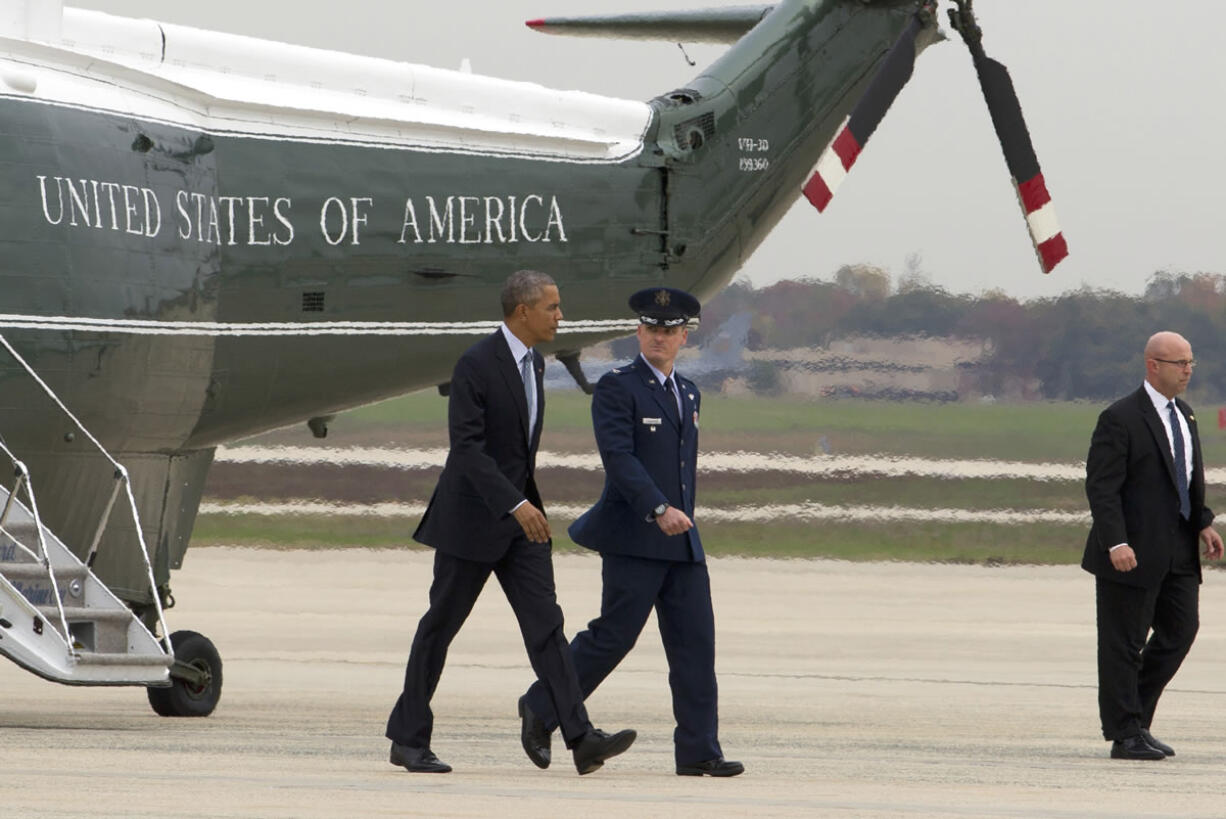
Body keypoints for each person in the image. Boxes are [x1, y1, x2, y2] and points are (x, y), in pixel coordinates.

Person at [385, 270, 636, 775]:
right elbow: (468, 450)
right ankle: (408, 740)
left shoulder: (536, 366)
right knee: (439, 629)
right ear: (522, 311)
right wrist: (514, 504)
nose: (560, 316)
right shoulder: (476, 364)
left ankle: (581, 737)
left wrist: (525, 508)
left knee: (547, 628)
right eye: (553, 307)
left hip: (522, 526)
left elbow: (518, 451)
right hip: (472, 522)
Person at [517, 286, 743, 777]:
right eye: (650, 328)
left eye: (668, 330)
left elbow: (682, 469)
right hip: (635, 537)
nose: (658, 337)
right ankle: (540, 704)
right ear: (639, 332)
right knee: (612, 637)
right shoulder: (619, 387)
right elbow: (619, 458)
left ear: (683, 336)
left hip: (681, 542)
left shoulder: (688, 393)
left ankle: (700, 751)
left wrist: (679, 517)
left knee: (695, 645)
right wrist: (658, 507)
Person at [1082, 330, 1223, 760]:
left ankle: (1134, 717)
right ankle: (1125, 734)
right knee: (1123, 642)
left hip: (1178, 547)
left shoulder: (1186, 414)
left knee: (1180, 631)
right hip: (1131, 552)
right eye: (1179, 363)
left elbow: (1183, 478)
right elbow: (1102, 488)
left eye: (1190, 363)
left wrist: (1202, 523)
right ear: (1152, 365)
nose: (1187, 371)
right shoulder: (1120, 417)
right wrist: (1116, 542)